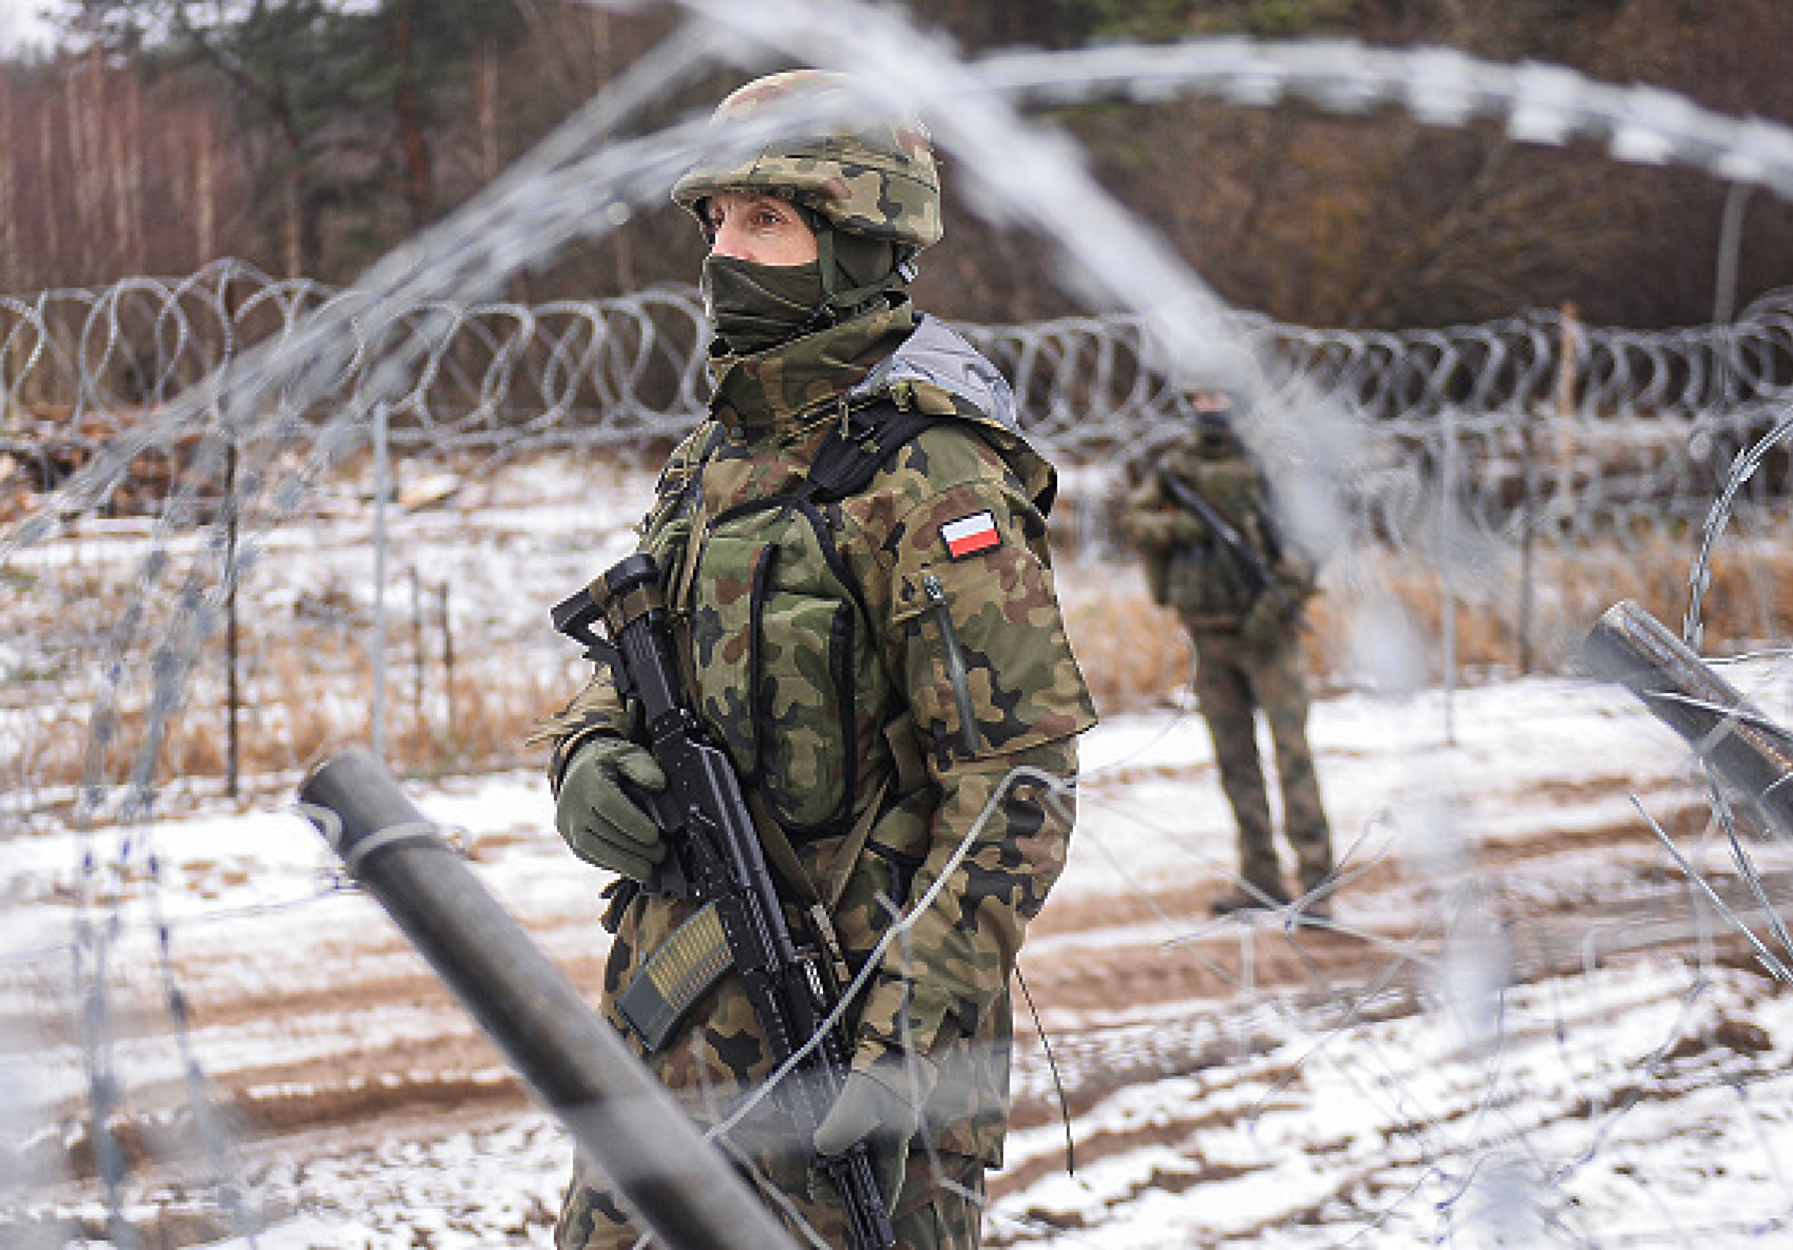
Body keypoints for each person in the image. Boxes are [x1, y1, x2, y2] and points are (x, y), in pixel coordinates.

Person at [536, 70, 1097, 1249]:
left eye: (764, 221)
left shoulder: (934, 473)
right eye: (714, 221)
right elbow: (645, 658)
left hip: (850, 1055)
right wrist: (587, 747)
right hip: (668, 1031)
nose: (721, 254)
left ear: (859, 242)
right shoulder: (709, 460)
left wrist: (897, 1051)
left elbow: (1017, 788)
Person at [1123, 384, 1334, 918]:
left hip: (1269, 635)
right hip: (1209, 633)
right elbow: (1136, 521)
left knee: (1292, 758)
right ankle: (1259, 879)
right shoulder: (1179, 468)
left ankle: (1316, 883)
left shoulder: (1269, 466)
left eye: (1220, 396)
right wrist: (1185, 525)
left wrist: (1275, 607)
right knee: (1235, 761)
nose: (1210, 407)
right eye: (1200, 398)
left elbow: (1311, 541)